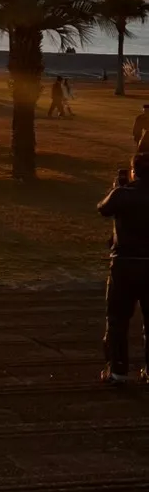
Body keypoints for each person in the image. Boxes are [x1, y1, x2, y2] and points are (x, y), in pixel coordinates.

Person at [99, 154, 149, 384]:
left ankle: (117, 368)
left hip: (125, 264)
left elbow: (103, 208)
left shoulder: (123, 195)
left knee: (118, 319)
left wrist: (116, 188)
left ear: (133, 171)